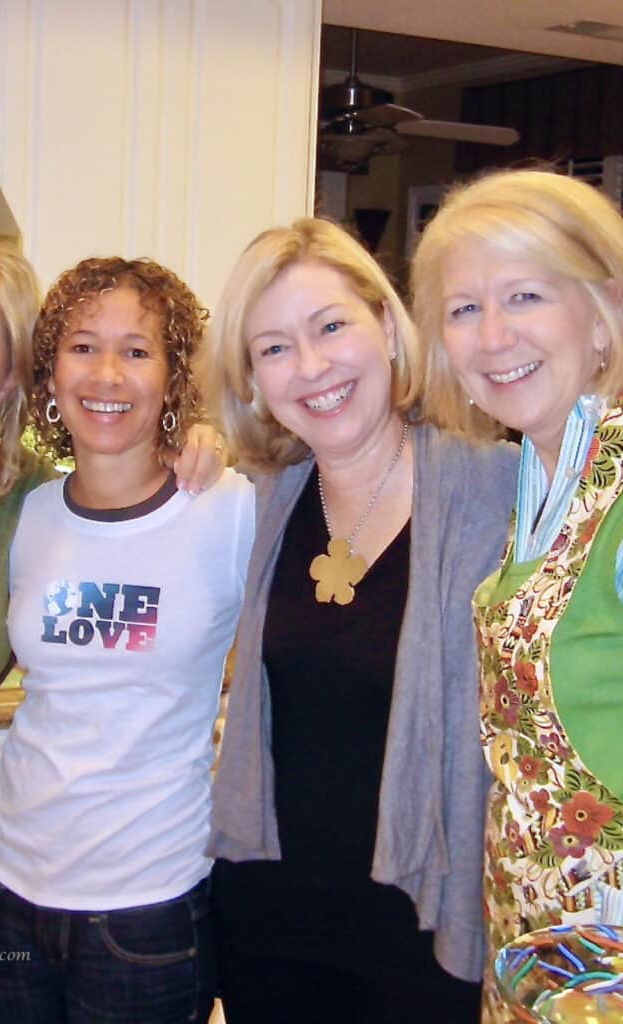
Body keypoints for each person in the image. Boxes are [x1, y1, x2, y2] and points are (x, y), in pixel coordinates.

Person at [0, 234, 225, 1024]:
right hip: (4, 889)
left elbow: (128, 474)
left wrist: (205, 437)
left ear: (9, 380)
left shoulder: (9, 500)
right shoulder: (24, 506)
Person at [199, 217, 519, 1024]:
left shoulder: (501, 495)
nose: (310, 367)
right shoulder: (258, 502)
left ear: (385, 325)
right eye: (272, 348)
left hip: (425, 930)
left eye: (330, 326)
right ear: (251, 379)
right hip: (270, 926)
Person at [0, 256, 255, 1024]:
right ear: (49, 371)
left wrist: (223, 438)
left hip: (147, 908)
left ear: (171, 375)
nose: (107, 374)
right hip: (4, 889)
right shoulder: (25, 511)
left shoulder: (228, 509)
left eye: (137, 351)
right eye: (83, 346)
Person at [412, 167, 623, 1023]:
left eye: (525, 295)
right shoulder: (546, 474)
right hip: (536, 953)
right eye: (464, 309)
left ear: (604, 313)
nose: (494, 336)